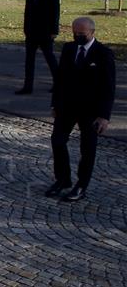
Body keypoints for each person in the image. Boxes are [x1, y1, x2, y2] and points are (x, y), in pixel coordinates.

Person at [46, 17, 115, 202]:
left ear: (92, 32)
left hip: (91, 110)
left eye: (81, 34)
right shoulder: (69, 49)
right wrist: (55, 104)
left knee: (88, 149)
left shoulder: (103, 54)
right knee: (58, 141)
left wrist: (104, 116)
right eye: (74, 33)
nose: (77, 36)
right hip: (66, 106)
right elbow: (60, 79)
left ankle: (81, 185)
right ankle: (63, 179)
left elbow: (108, 87)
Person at [16, 0, 59, 95]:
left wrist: (54, 31)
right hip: (31, 32)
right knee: (29, 60)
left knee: (49, 58)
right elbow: (27, 12)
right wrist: (25, 28)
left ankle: (58, 83)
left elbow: (55, 14)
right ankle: (27, 86)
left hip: (45, 32)